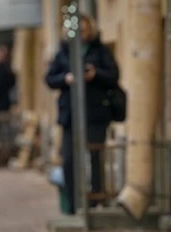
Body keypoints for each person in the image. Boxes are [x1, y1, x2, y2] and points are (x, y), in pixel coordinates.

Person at [44, 15, 120, 214]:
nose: (81, 34)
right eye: (77, 30)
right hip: (70, 114)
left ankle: (95, 202)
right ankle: (72, 203)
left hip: (95, 113)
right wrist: (66, 78)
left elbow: (113, 75)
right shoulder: (63, 52)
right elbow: (50, 79)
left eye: (85, 30)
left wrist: (96, 75)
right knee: (68, 159)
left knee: (96, 156)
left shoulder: (100, 51)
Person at [0, 45, 17, 165]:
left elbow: (11, 82)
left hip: (4, 104)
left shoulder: (5, 68)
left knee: (5, 132)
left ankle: (4, 155)